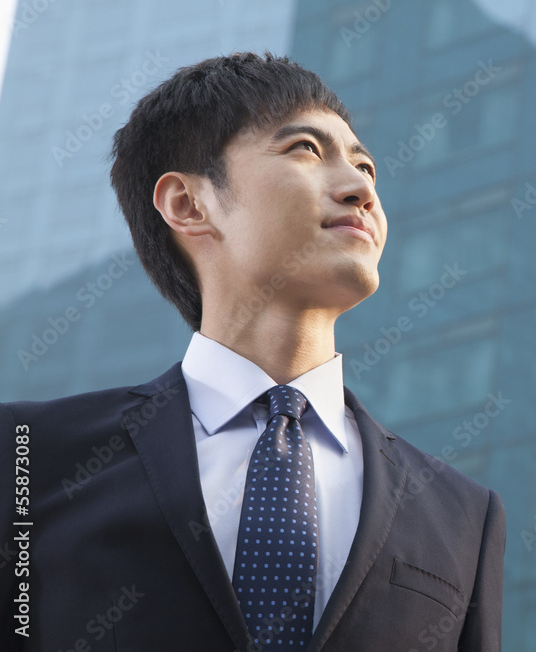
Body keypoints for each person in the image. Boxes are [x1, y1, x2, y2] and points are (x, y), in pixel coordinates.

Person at [1, 52, 505, 651]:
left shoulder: (463, 515)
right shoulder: (27, 454)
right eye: (306, 151)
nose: (361, 188)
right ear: (189, 204)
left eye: (366, 166)